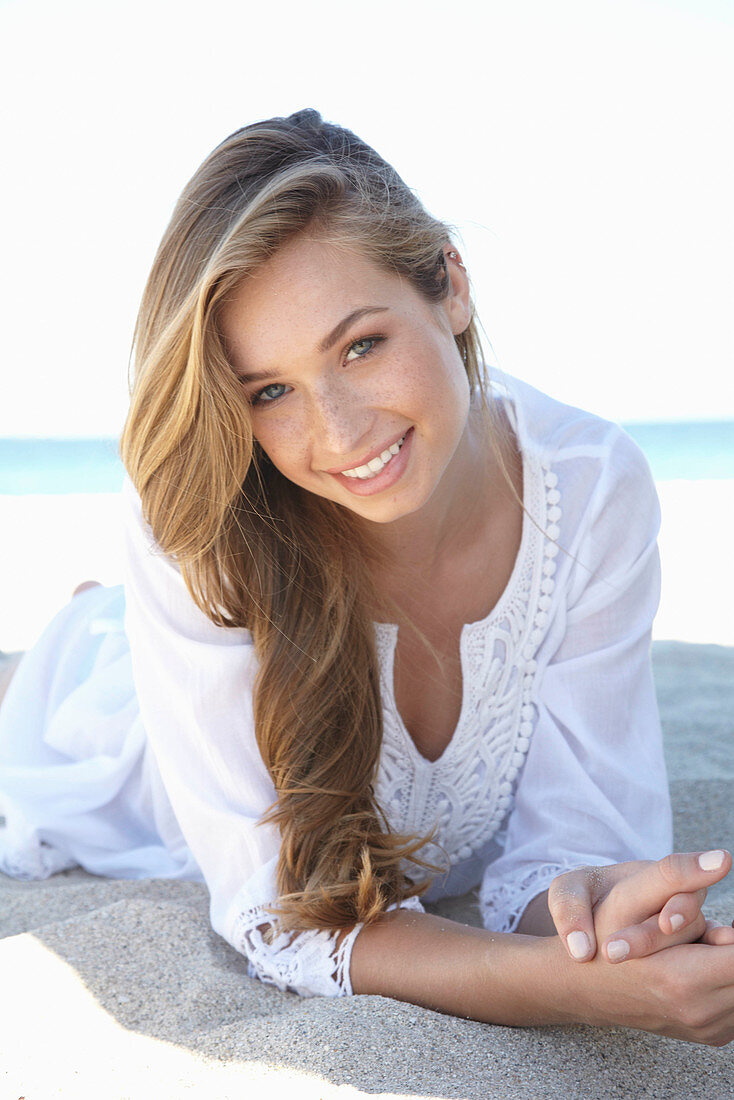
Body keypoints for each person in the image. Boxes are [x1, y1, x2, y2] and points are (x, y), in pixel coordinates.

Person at [1, 109, 734, 1044]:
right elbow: (282, 918)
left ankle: (100, 625)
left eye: (360, 346)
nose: (340, 433)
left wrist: (600, 920)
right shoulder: (211, 533)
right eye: (270, 391)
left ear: (451, 287)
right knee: (54, 718)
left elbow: (573, 847)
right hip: (135, 770)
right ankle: (85, 637)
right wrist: (560, 988)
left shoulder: (592, 492)